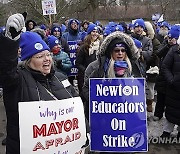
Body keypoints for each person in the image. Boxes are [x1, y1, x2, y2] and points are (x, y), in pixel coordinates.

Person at [0, 14, 86, 154]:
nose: (46, 60)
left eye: (48, 55)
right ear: (28, 60)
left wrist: (83, 137)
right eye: (40, 56)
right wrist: (10, 42)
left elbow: (77, 110)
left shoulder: (60, 77)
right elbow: (5, 71)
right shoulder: (17, 81)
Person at [82, 31, 141, 122]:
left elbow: (141, 90)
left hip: (126, 115)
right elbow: (86, 88)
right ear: (110, 52)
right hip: (102, 117)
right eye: (116, 50)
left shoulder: (133, 68)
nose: (120, 53)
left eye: (123, 50)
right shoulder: (97, 68)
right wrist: (98, 101)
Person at [153, 25, 179, 121]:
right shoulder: (166, 43)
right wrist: (168, 45)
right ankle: (158, 113)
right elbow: (159, 53)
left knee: (171, 100)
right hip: (163, 74)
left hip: (174, 76)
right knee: (160, 96)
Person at [160, 25, 180, 139]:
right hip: (173, 88)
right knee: (171, 111)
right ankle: (167, 132)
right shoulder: (174, 50)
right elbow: (165, 67)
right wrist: (171, 80)